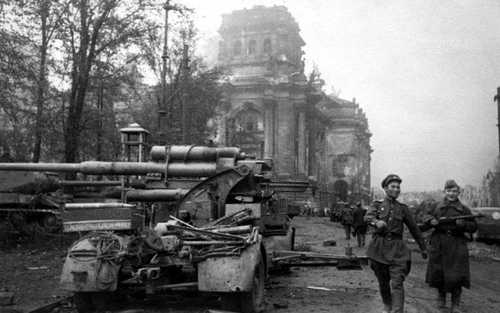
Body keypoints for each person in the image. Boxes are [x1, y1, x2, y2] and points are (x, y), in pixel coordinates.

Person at [365, 174, 428, 313]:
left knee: (397, 282)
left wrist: (423, 248)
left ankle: (397, 311)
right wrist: (376, 222)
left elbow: (414, 229)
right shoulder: (377, 204)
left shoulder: (403, 208)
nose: (396, 189)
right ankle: (387, 305)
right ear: (385, 188)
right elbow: (368, 217)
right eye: (393, 186)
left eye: (398, 187)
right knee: (383, 282)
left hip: (397, 250)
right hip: (379, 249)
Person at [421, 180, 477, 313]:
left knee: (457, 274)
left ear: (459, 192)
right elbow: (423, 217)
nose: (451, 194)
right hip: (439, 242)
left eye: (454, 191)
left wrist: (463, 225)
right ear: (444, 192)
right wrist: (430, 220)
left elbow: (473, 227)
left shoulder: (464, 209)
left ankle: (455, 304)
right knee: (439, 272)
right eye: (449, 191)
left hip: (457, 243)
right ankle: (441, 298)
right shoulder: (436, 206)